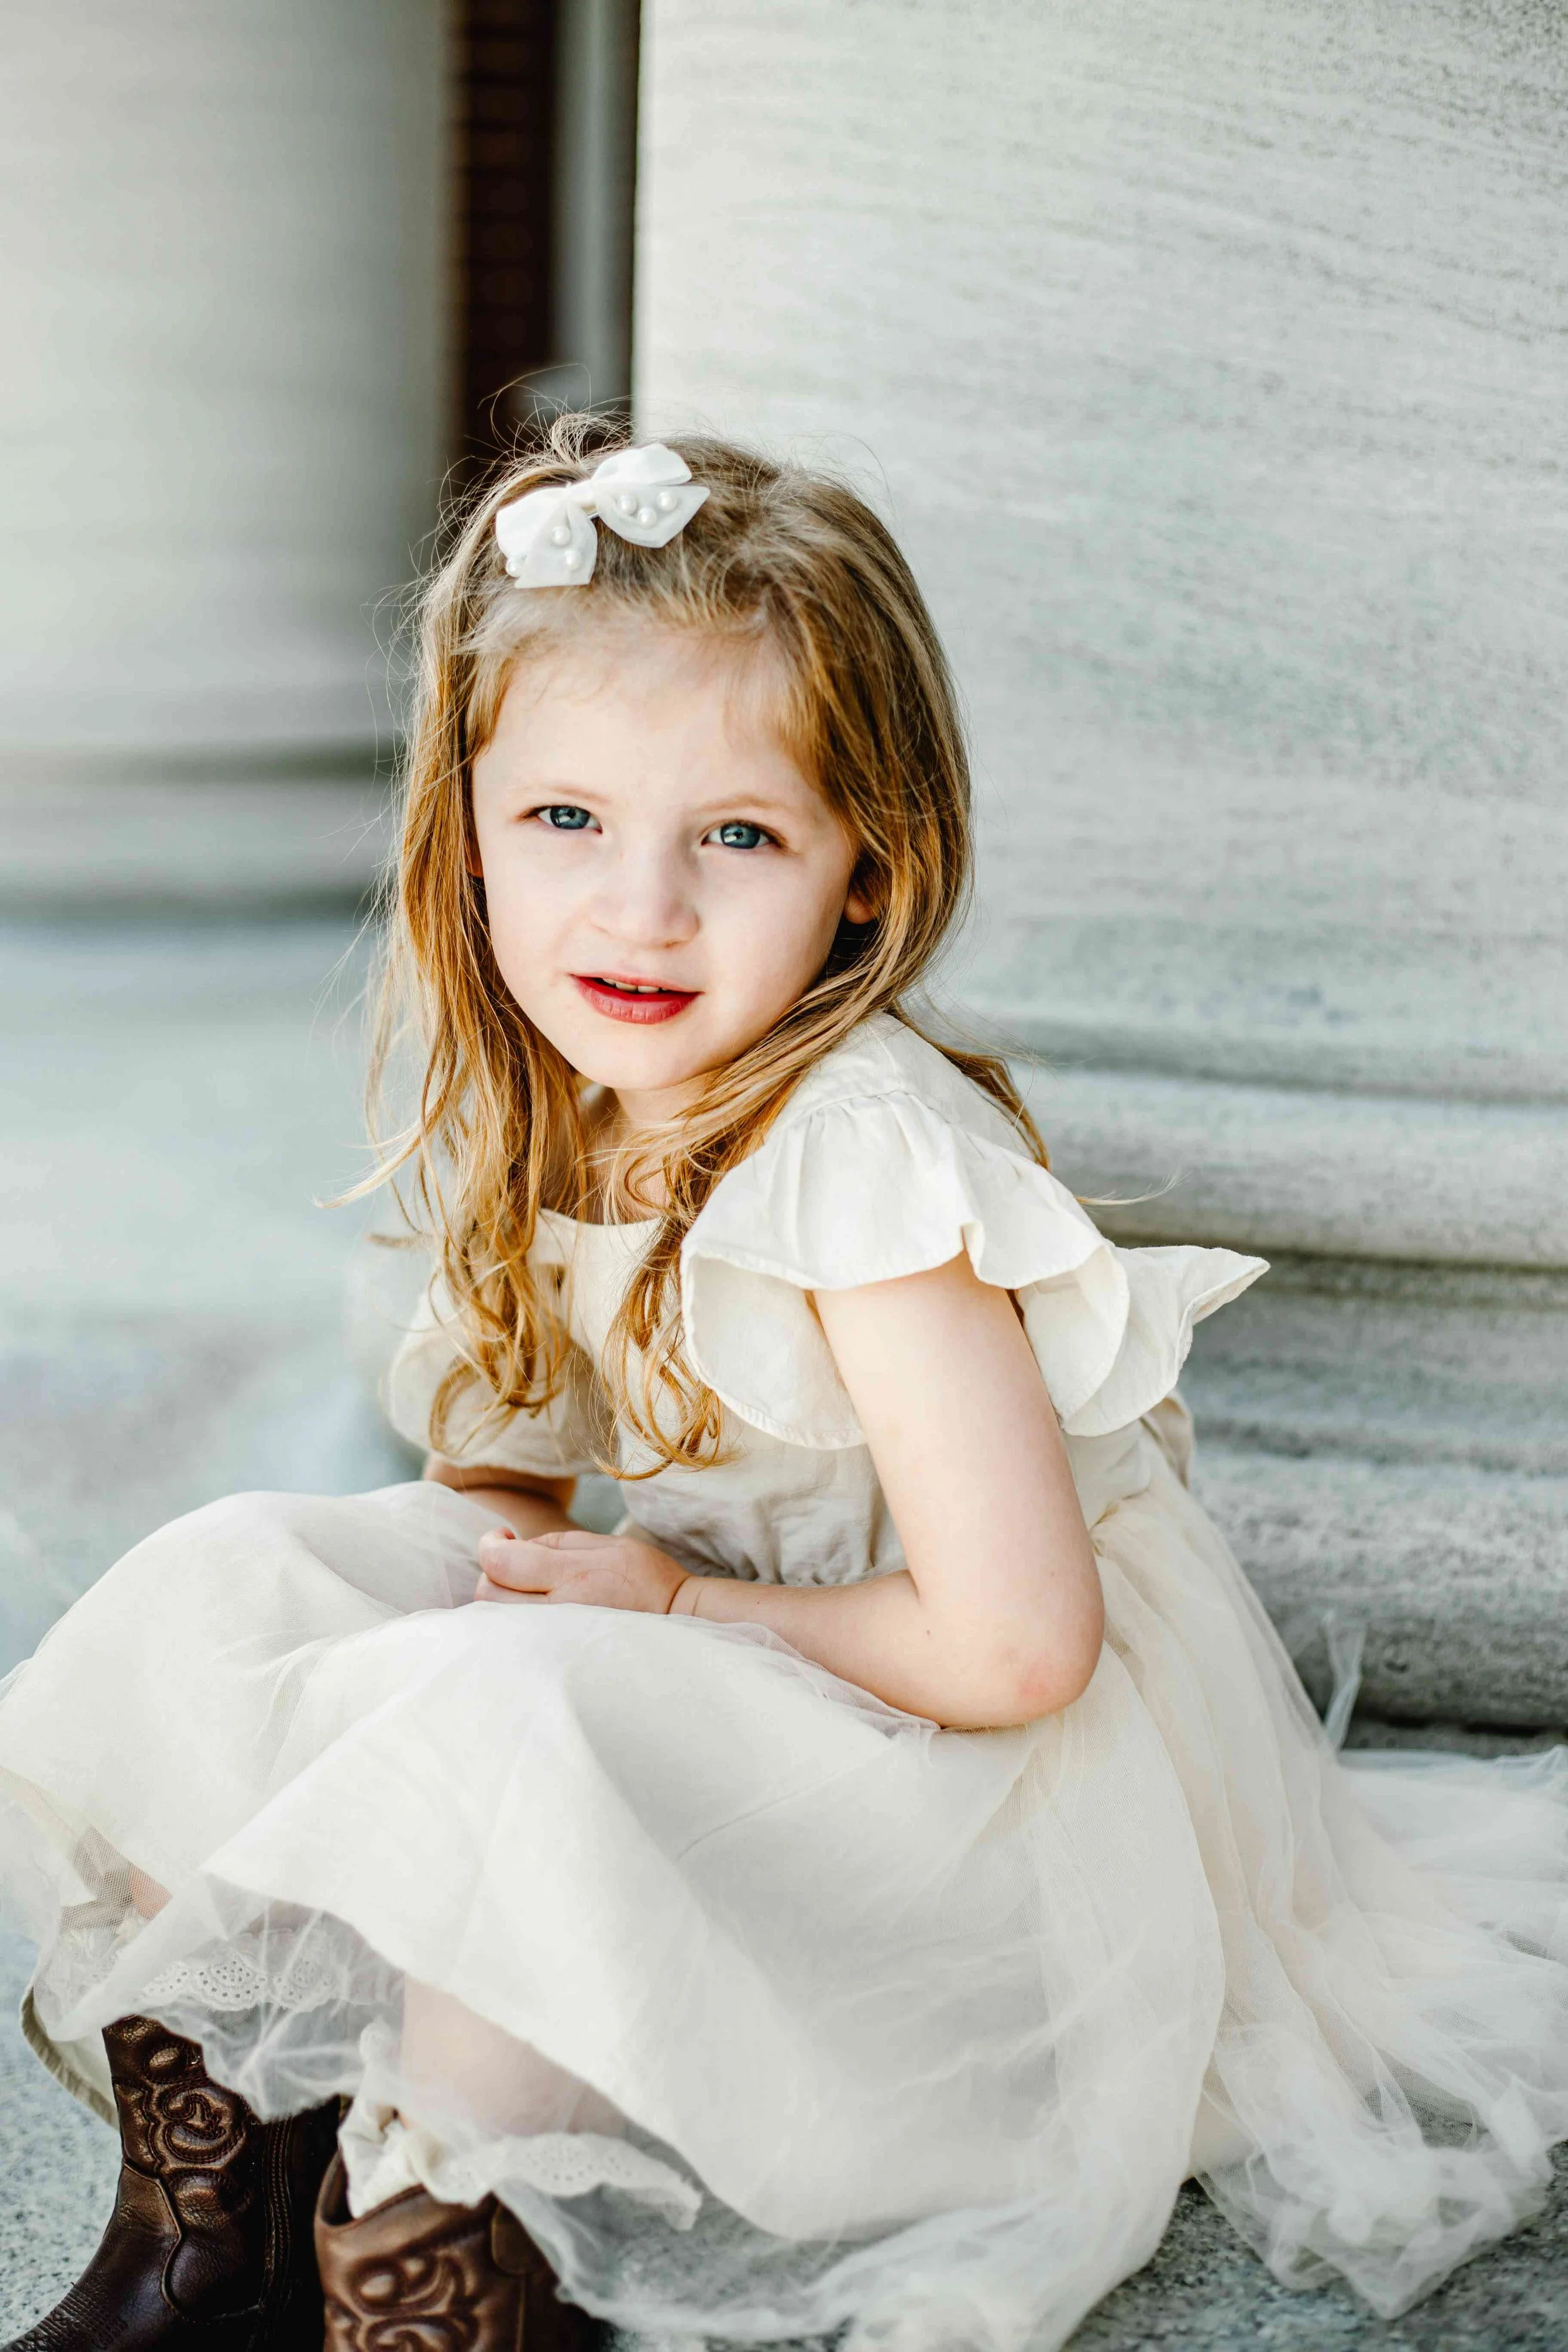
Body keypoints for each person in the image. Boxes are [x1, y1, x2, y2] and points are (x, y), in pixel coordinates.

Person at [2, 428, 1565, 2352]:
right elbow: (503, 1473)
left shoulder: (862, 1168)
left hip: (963, 1786)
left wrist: (656, 1608)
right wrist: (389, 1645)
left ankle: (457, 2259)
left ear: (864, 871)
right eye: (563, 818)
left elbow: (1017, 1648)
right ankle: (220, 2203)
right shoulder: (552, 1078)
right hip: (741, 1666)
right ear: (463, 827)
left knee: (503, 1712)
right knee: (228, 1581)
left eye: (734, 836)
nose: (637, 909)